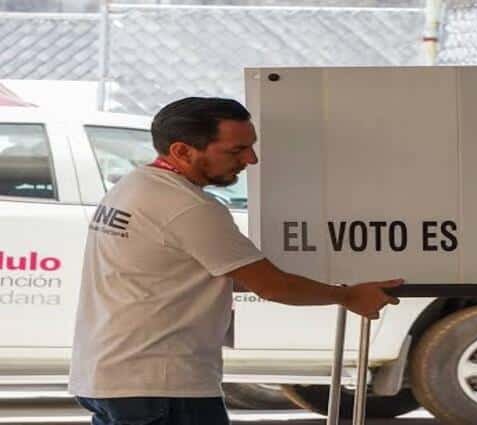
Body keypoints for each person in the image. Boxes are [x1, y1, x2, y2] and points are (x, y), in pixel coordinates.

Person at [68, 97, 403, 425]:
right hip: (160, 385)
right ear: (182, 151)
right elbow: (272, 286)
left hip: (109, 376)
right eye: (236, 150)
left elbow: (190, 270)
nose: (251, 159)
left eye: (251, 146)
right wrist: (348, 296)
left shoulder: (134, 186)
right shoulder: (188, 207)